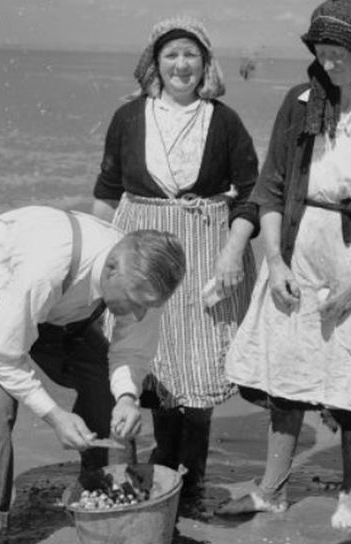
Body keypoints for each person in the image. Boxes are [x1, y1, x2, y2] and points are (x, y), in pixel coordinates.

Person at [216, 0, 351, 529]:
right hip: (296, 246)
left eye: (340, 52)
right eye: (322, 52)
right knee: (286, 379)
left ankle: (350, 491)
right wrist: (274, 261)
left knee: (350, 382)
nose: (330, 61)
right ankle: (271, 489)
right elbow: (270, 186)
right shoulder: (297, 105)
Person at [0, 205, 185, 544]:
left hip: (57, 309)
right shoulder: (47, 268)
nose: (139, 313)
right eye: (134, 303)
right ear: (111, 270)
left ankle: (103, 492)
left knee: (104, 383)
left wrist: (127, 397)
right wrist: (55, 416)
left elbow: (131, 352)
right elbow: (2, 356)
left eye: (147, 305)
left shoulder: (143, 281)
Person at [91, 16, 259, 510]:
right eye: (172, 55)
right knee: (146, 357)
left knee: (200, 363)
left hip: (206, 248)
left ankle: (193, 478)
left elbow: (253, 194)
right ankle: (153, 471)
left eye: (191, 54)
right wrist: (95, 260)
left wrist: (233, 252)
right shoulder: (128, 118)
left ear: (205, 63)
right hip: (140, 245)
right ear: (155, 64)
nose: (181, 64)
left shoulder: (224, 121)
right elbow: (106, 192)